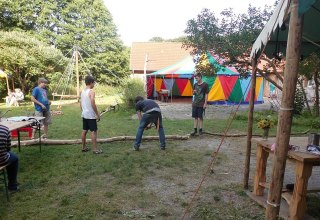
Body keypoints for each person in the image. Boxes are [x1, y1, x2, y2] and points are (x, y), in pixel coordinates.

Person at [80, 75, 102, 154]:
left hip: (84, 114)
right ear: (91, 83)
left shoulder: (82, 92)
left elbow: (80, 103)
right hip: (90, 115)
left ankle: (84, 147)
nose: (94, 85)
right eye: (94, 83)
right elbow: (93, 102)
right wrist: (97, 114)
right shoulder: (91, 92)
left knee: (84, 130)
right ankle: (95, 149)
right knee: (93, 131)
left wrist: (83, 111)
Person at [0, 124, 19, 192]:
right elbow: (8, 148)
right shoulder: (5, 129)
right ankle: (12, 186)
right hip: (2, 160)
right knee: (14, 158)